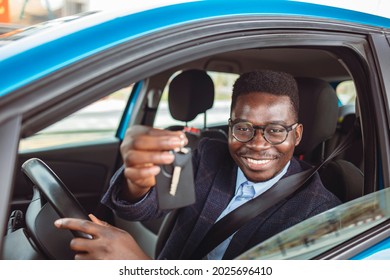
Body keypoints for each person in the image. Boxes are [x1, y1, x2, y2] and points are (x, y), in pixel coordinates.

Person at [54, 70, 341, 260]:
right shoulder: (208, 155)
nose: (257, 143)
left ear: (297, 134)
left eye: (276, 130)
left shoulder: (319, 212)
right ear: (229, 127)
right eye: (243, 128)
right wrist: (137, 183)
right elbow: (146, 205)